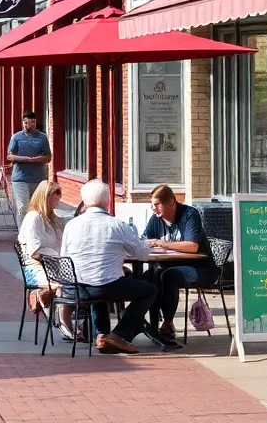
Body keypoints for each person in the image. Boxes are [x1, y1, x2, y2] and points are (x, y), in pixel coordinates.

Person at [60, 179, 158, 354]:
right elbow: (142, 254)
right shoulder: (116, 225)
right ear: (108, 201)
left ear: (84, 201)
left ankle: (102, 335)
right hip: (104, 286)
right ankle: (120, 334)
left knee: (99, 282)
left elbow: (64, 257)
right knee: (149, 290)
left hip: (76, 288)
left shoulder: (71, 225)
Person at [140, 183, 214, 339]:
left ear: (171, 202)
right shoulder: (155, 220)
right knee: (148, 277)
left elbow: (192, 246)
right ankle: (146, 323)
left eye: (157, 204)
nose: (154, 209)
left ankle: (167, 323)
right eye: (152, 205)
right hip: (167, 265)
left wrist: (162, 243)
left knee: (169, 276)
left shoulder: (189, 215)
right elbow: (145, 241)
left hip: (198, 268)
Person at [18, 180, 72, 338]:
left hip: (56, 265)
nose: (59, 197)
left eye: (60, 192)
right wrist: (56, 262)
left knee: (81, 282)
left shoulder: (55, 219)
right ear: (45, 196)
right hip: (36, 267)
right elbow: (34, 252)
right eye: (56, 193)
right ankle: (63, 323)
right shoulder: (33, 218)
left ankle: (49, 300)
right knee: (64, 285)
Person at [8, 111, 52, 218]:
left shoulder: (42, 137)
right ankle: (23, 233)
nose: (30, 124)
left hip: (38, 178)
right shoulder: (16, 137)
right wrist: (25, 159)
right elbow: (10, 156)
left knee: (37, 208)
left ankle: (35, 230)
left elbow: (48, 157)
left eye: (32, 122)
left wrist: (38, 159)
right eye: (27, 122)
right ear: (23, 123)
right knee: (23, 207)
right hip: (20, 179)